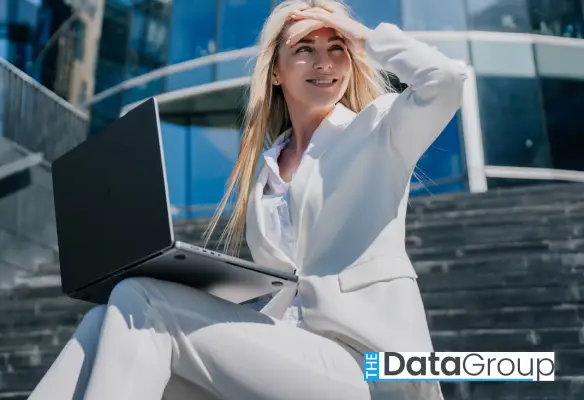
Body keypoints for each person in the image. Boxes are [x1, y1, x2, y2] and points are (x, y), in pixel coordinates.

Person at [28, 0, 467, 399]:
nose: (324, 62)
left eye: (336, 49)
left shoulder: (378, 130)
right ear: (276, 71)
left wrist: (358, 33)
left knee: (142, 300)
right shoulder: (266, 169)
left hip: (367, 370)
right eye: (304, 49)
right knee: (104, 322)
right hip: (286, 356)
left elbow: (444, 81)